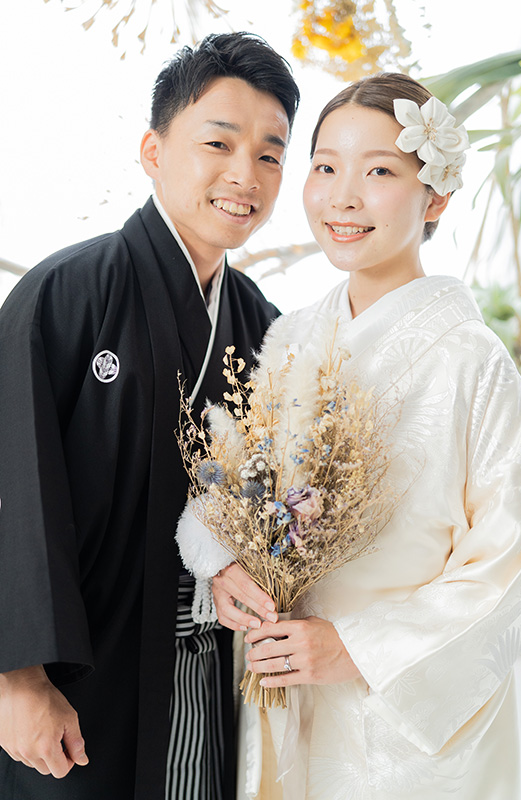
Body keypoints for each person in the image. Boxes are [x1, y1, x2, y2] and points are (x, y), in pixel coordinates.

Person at [196, 73, 521, 799]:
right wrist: (228, 571)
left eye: (378, 171)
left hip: (404, 724)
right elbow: (242, 493)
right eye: (325, 167)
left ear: (435, 197)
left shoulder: (472, 361)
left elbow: (512, 563)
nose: (342, 198)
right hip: (285, 684)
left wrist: (357, 648)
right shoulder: (291, 339)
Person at [0, 32, 299, 800]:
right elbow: (13, 489)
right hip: (77, 680)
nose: (245, 175)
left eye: (269, 155)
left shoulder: (263, 326)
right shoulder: (65, 294)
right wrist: (16, 678)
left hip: (206, 673)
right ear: (153, 151)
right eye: (218, 143)